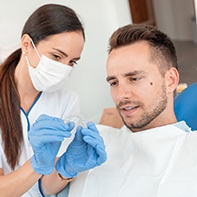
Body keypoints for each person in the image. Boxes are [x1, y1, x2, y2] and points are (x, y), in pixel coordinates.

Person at [67, 24, 197, 197]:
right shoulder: (96, 145)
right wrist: (61, 173)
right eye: (114, 83)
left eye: (134, 78)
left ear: (170, 81)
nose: (121, 95)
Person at [0, 4, 106, 197]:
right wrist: (36, 164)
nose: (64, 68)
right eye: (56, 56)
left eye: (72, 62)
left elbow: (47, 188)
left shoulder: (67, 101)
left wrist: (67, 168)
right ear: (26, 44)